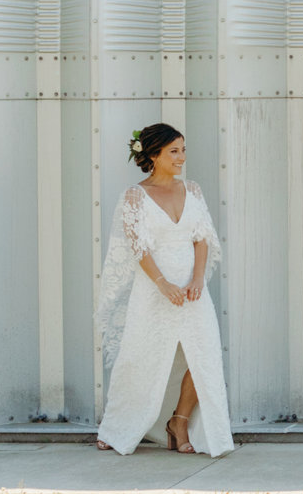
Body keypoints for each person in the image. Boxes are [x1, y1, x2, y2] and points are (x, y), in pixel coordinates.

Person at [94, 123, 234, 457]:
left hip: (192, 290)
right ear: (153, 155)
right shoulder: (134, 196)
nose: (181, 157)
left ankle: (180, 421)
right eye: (174, 151)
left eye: (183, 149)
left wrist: (198, 279)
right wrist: (162, 284)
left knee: (206, 357)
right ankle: (118, 429)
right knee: (140, 358)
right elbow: (137, 248)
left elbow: (202, 237)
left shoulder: (193, 191)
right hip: (154, 289)